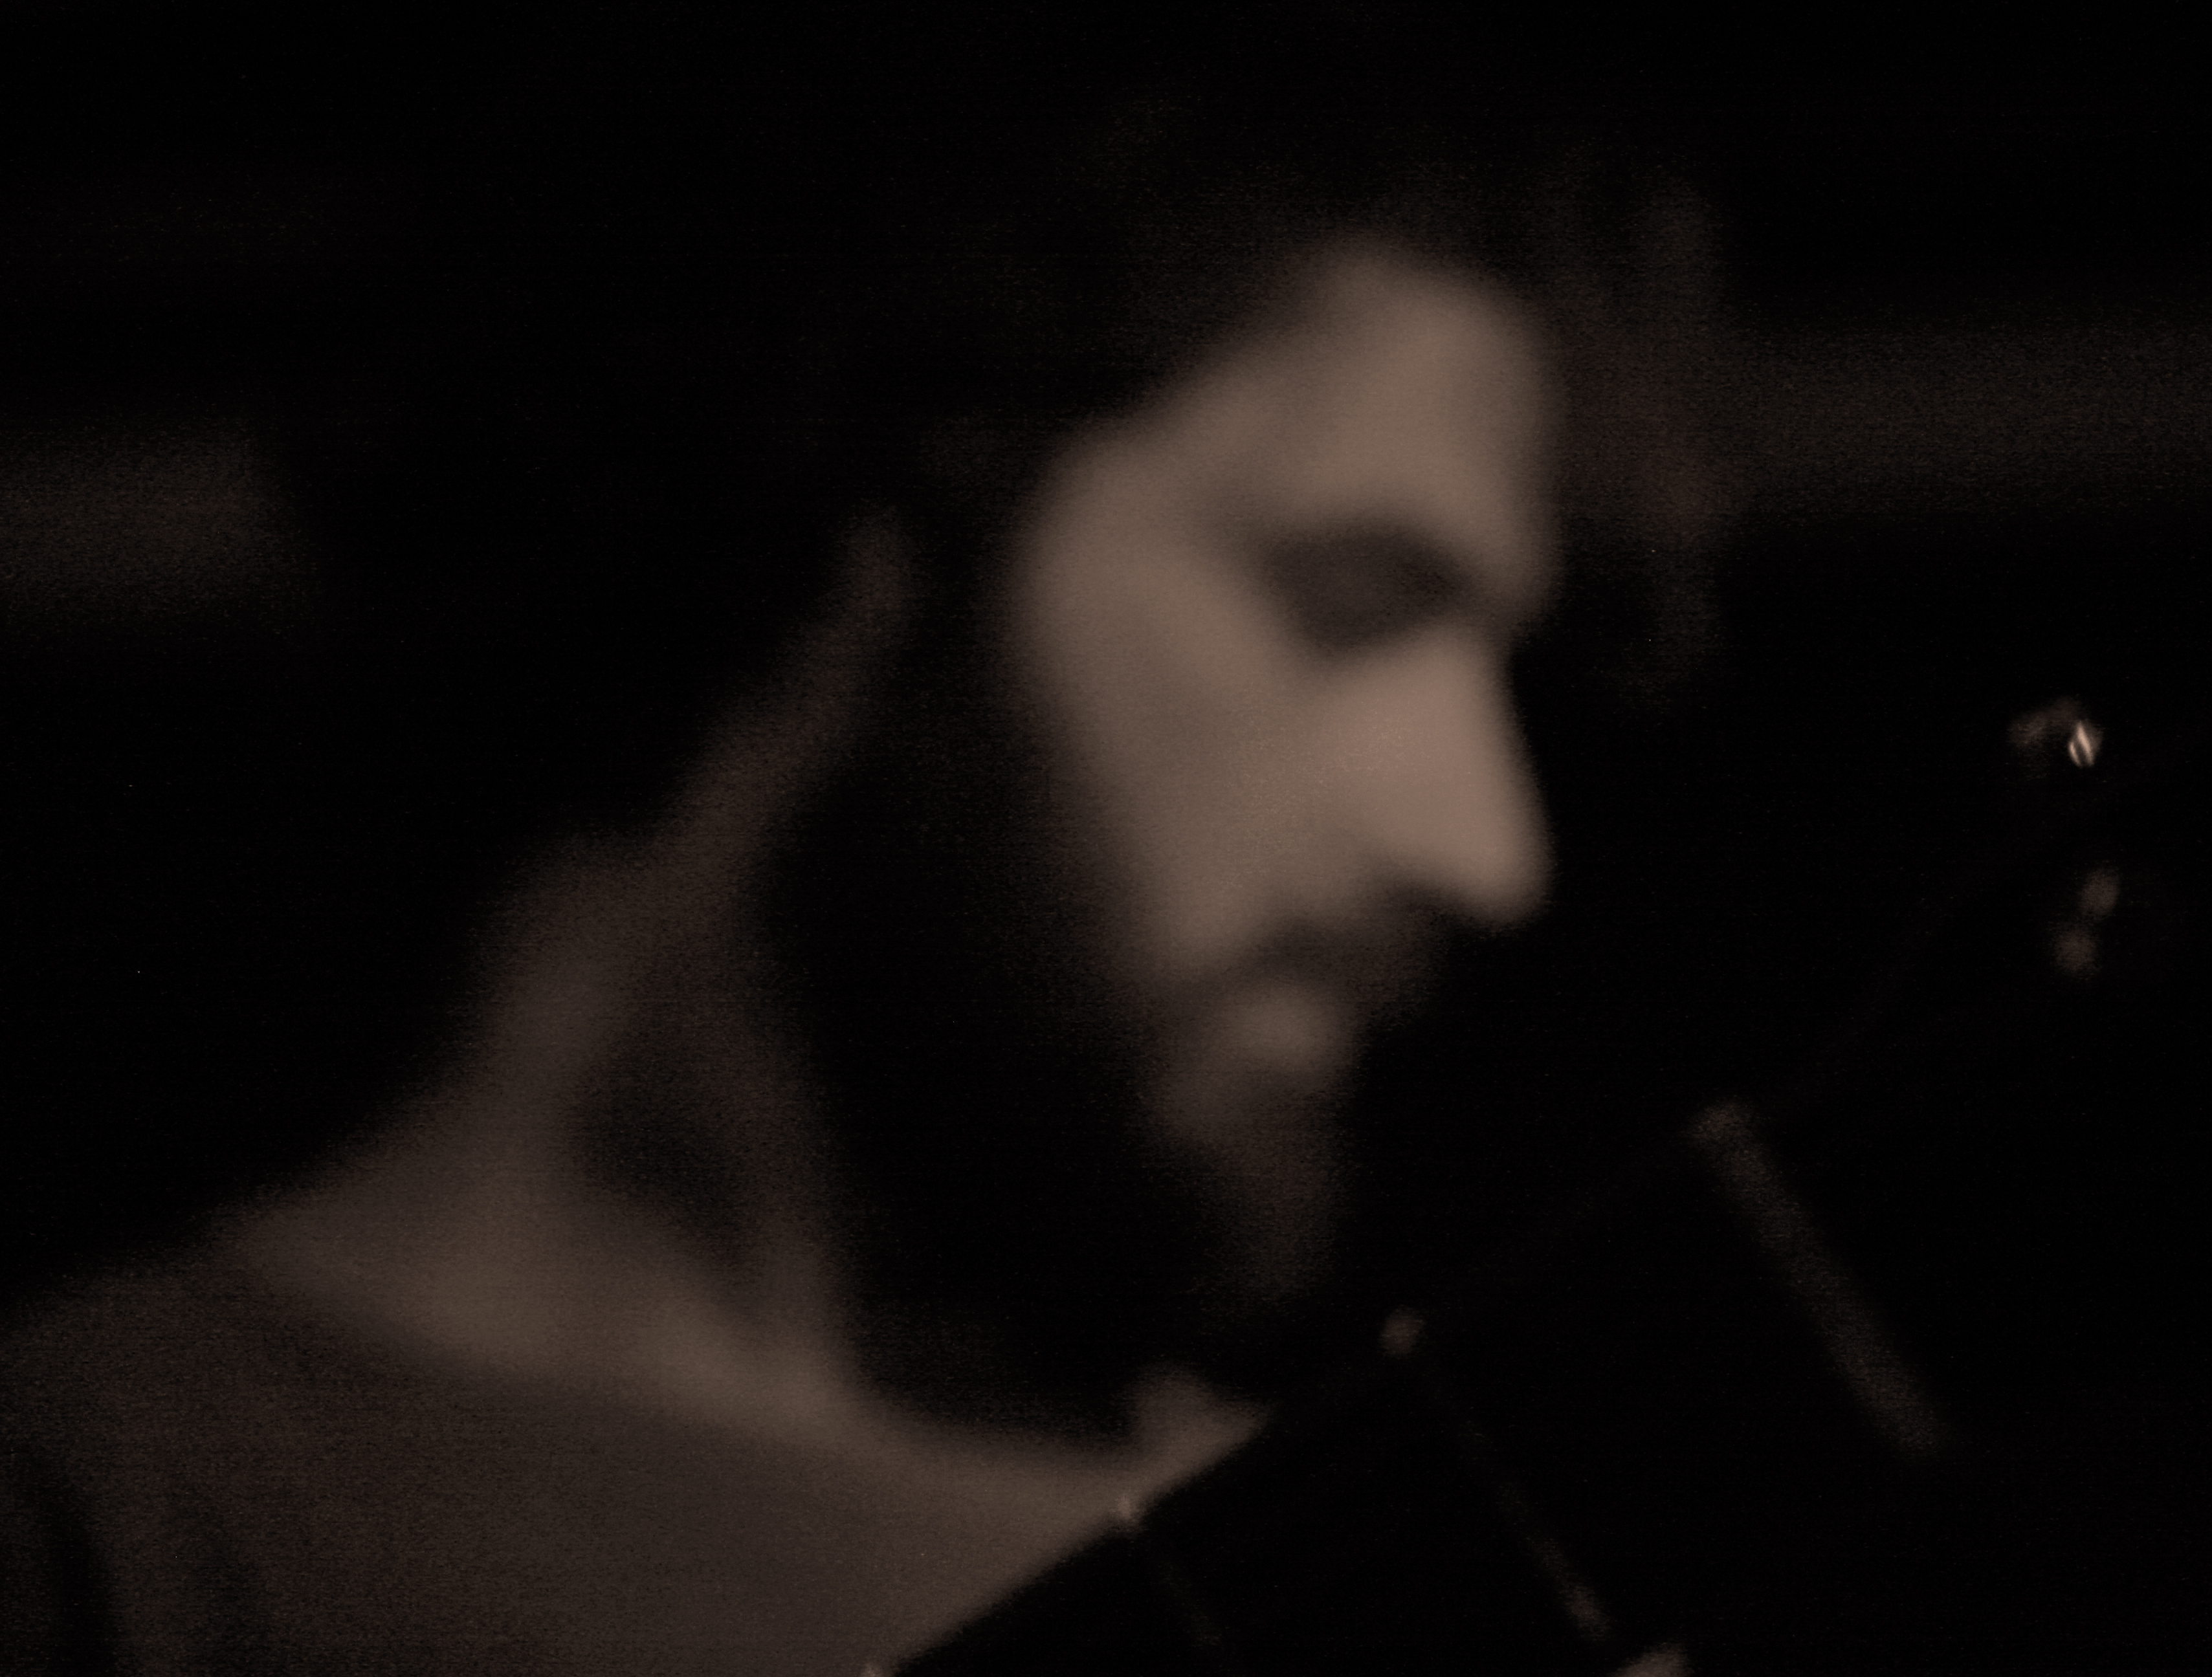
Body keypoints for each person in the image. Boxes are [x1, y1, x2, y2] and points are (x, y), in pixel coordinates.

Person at [1, 10, 1712, 1671]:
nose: (1489, 847)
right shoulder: (101, 1526)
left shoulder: (1390, 1589)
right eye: (1346, 600)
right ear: (858, 538)